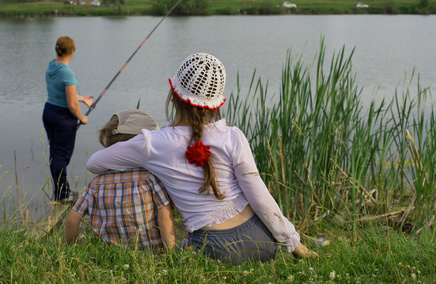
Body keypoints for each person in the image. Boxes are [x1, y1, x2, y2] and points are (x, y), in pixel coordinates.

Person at [86, 53, 317, 264]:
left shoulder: (151, 143)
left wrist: (143, 162)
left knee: (182, 256)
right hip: (262, 241)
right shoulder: (233, 136)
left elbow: (94, 163)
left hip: (214, 248)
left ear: (173, 94)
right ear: (215, 103)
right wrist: (293, 243)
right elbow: (260, 196)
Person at [65, 109, 176, 253]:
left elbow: (72, 219)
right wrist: (171, 255)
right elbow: (165, 218)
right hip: (151, 254)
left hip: (109, 256)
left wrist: (72, 250)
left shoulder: (96, 184)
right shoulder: (150, 179)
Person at [42, 36, 94, 201]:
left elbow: (62, 92)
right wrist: (82, 118)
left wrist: (82, 98)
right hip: (63, 117)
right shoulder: (67, 72)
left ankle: (60, 192)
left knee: (55, 154)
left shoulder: (52, 65)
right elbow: (71, 105)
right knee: (62, 156)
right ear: (72, 51)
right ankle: (63, 194)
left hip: (49, 111)